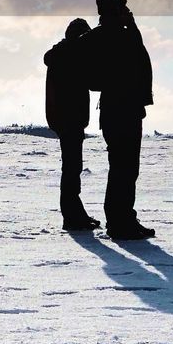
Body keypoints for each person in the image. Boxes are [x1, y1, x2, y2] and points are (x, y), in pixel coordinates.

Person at [80, 0, 155, 240]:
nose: (128, 11)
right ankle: (119, 223)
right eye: (124, 8)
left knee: (126, 168)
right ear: (115, 11)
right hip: (119, 110)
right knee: (123, 168)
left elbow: (138, 56)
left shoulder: (121, 34)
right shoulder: (104, 36)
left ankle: (124, 219)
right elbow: (67, 60)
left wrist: (131, 26)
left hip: (126, 109)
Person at [43, 18, 100, 231]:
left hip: (65, 118)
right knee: (71, 168)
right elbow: (90, 81)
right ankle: (73, 217)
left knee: (71, 167)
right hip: (69, 119)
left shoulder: (62, 54)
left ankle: (75, 214)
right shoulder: (71, 55)